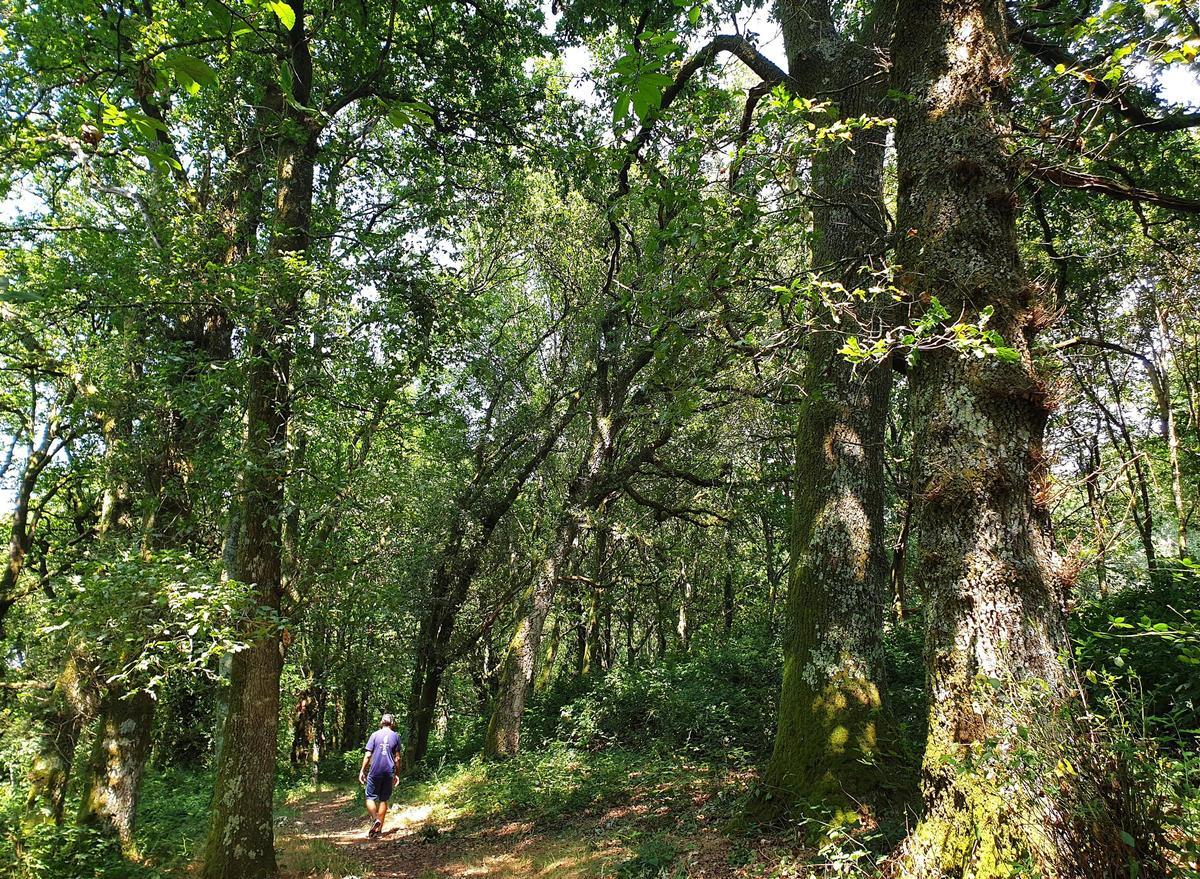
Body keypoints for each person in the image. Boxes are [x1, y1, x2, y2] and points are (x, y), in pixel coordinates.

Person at [359, 713, 402, 838]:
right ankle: (378, 830)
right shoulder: (396, 736)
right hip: (388, 771)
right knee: (384, 799)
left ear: (381, 722)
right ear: (392, 723)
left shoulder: (374, 735)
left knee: (370, 797)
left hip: (375, 771)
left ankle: (375, 819)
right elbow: (397, 758)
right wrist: (396, 774)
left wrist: (362, 770)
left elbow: (367, 755)